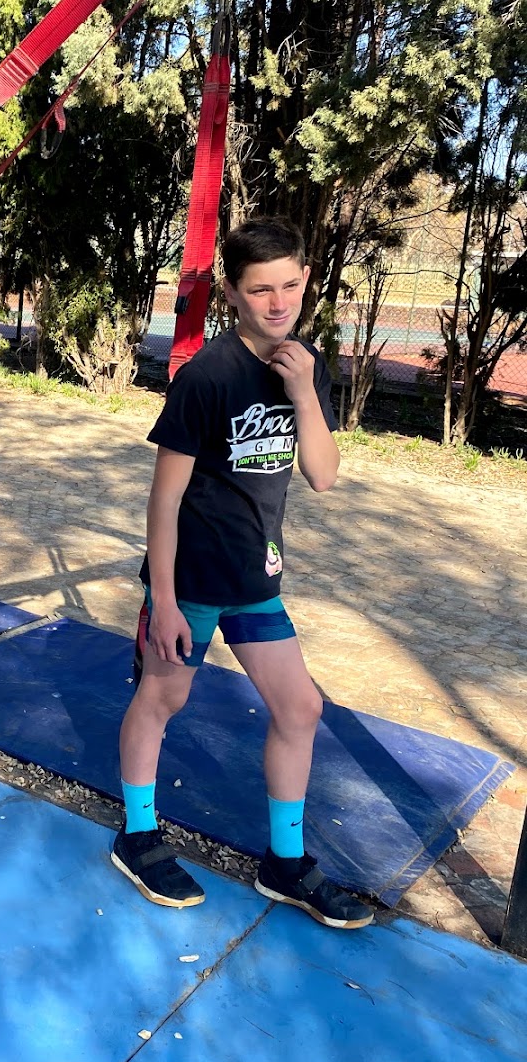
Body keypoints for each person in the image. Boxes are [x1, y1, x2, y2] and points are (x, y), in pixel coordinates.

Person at [113, 217, 373, 929]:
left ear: (306, 281)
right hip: (191, 580)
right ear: (233, 292)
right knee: (162, 701)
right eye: (261, 289)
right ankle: (137, 835)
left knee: (301, 708)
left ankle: (283, 863)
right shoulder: (206, 377)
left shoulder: (306, 365)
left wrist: (306, 393)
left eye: (290, 284)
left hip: (257, 579)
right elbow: (163, 500)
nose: (279, 301)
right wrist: (162, 602)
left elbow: (321, 476)